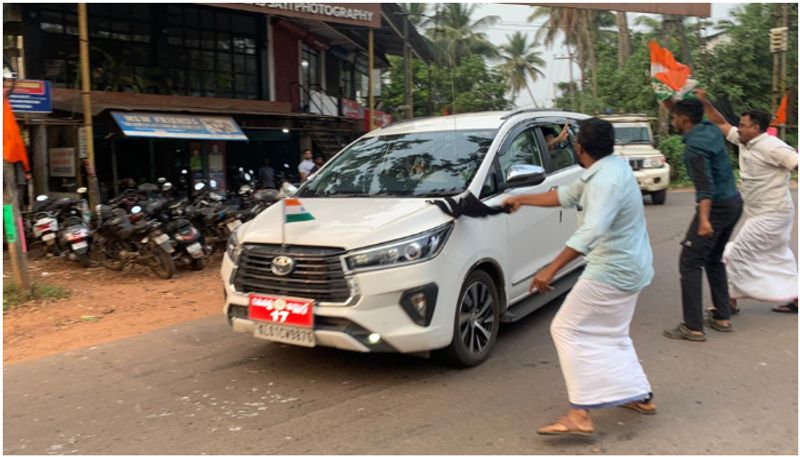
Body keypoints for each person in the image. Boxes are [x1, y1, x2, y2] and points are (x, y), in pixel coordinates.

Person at [503, 118, 655, 436]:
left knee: (566, 328)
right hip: (629, 265)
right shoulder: (609, 170)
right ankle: (639, 395)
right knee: (613, 334)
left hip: (612, 269)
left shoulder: (605, 182)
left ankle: (579, 413)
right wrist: (522, 198)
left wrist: (550, 268)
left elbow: (591, 232)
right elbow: (564, 195)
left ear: (578, 148)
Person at [695, 89, 799, 314]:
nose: (738, 128)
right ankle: (795, 298)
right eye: (739, 125)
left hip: (773, 214)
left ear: (756, 129)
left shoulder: (772, 146)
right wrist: (705, 102)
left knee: (733, 253)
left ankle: (729, 302)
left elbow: (796, 162)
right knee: (778, 255)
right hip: (761, 213)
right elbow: (720, 122)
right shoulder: (743, 141)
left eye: (743, 125)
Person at [662, 99, 742, 341]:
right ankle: (722, 317)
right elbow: (718, 117)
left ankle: (693, 327)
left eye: (674, 117)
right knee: (714, 259)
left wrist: (704, 221)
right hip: (733, 202)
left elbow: (704, 188)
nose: (672, 120)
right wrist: (692, 100)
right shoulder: (711, 129)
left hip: (715, 207)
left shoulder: (695, 147)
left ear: (684, 120)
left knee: (690, 261)